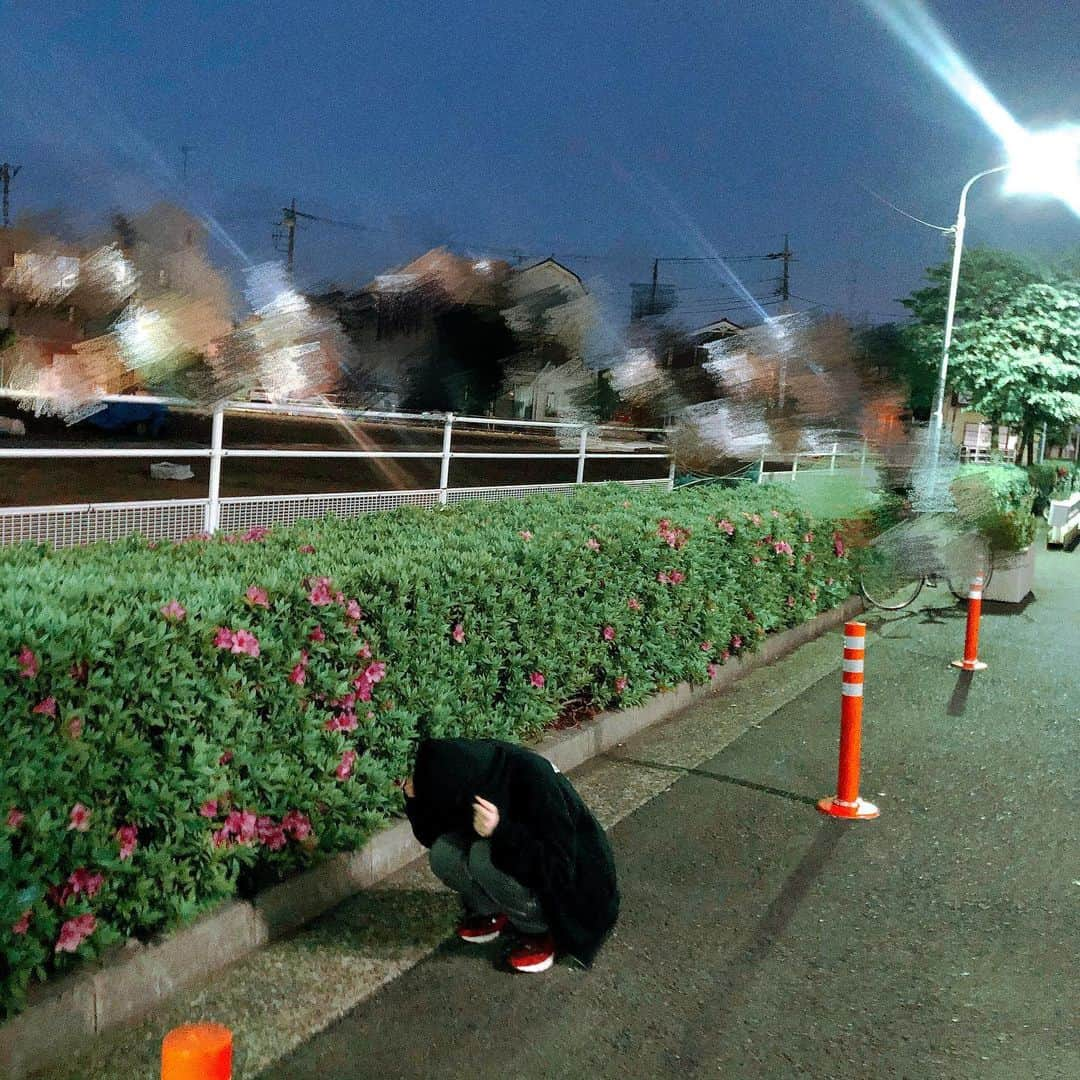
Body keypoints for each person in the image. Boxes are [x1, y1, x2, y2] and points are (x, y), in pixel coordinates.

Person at [398, 736, 619, 973]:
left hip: (576, 892)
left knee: (483, 858)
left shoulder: (532, 776)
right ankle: (492, 910)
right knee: (444, 852)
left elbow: (559, 869)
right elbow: (433, 837)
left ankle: (539, 932)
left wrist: (500, 831)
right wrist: (415, 801)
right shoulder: (468, 776)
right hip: (521, 858)